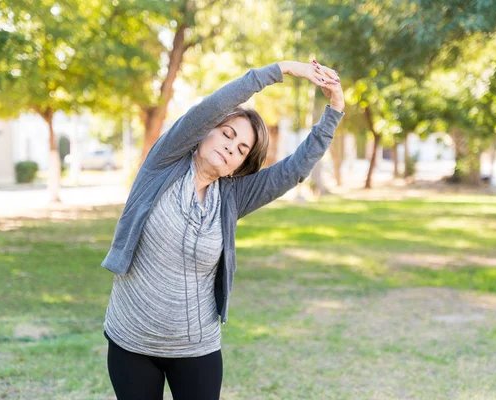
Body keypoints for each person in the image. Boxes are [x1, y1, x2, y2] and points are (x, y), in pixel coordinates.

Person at [101, 59, 345, 399]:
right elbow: (216, 104)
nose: (232, 146)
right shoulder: (164, 162)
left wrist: (334, 109)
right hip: (132, 341)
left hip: (196, 347)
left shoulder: (231, 197)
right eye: (227, 134)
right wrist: (282, 69)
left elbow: (294, 169)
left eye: (242, 149)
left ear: (238, 166)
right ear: (204, 133)